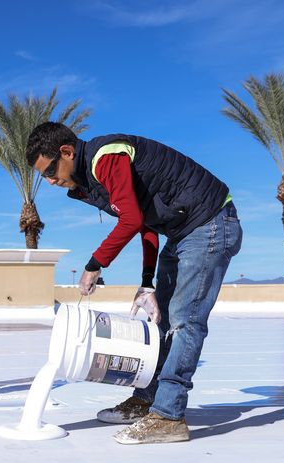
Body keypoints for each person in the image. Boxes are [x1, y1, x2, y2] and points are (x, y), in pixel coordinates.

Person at [25, 122, 242, 444]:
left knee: (185, 322)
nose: (50, 181)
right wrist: (147, 283)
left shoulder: (106, 157)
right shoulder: (88, 181)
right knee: (162, 320)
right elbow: (146, 222)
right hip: (181, 231)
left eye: (51, 171)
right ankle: (149, 399)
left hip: (210, 222)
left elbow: (131, 219)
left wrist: (94, 264)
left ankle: (169, 416)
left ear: (67, 152)